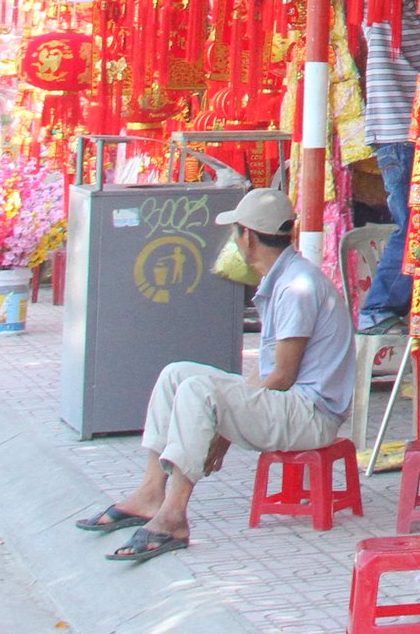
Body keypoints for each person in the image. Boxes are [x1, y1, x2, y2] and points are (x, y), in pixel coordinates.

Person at [75, 187, 354, 562]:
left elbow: (283, 376)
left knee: (198, 391)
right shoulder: (284, 277)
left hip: (311, 414)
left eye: (236, 232)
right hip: (290, 402)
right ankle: (150, 491)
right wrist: (230, 412)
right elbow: (267, 370)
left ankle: (173, 515)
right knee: (177, 375)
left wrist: (223, 426)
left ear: (248, 238)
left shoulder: (297, 286)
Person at [356, 0, 420, 333]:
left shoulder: (372, 1)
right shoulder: (411, 4)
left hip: (392, 130)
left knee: (417, 220)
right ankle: (379, 307)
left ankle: (399, 305)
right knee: (416, 222)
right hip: (406, 130)